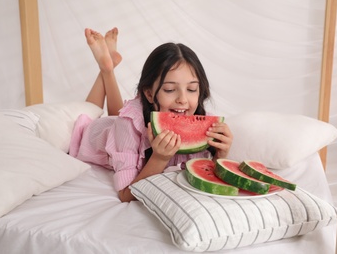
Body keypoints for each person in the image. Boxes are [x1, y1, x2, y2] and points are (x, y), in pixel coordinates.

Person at [69, 27, 233, 202]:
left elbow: (203, 173)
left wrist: (220, 157)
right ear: (148, 94)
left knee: (119, 117)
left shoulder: (202, 120)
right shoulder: (128, 123)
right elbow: (125, 194)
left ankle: (108, 68)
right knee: (92, 112)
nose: (183, 100)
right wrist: (160, 158)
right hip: (94, 135)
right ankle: (106, 69)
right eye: (170, 89)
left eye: (192, 89)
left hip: (122, 126)